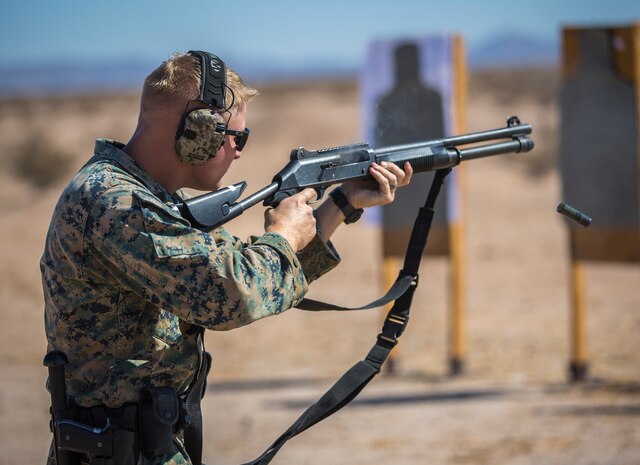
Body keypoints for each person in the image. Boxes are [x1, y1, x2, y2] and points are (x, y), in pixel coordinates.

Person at [41, 50, 412, 465]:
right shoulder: (115, 202)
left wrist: (339, 205)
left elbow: (244, 272)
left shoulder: (149, 199)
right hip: (118, 449)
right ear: (197, 130)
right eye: (236, 137)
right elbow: (232, 294)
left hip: (138, 444)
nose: (239, 151)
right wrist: (283, 235)